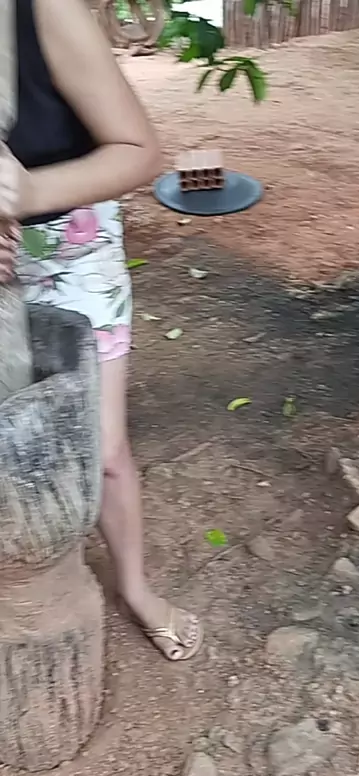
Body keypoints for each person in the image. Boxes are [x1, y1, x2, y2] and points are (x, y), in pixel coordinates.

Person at [2, 0, 203, 661]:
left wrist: (21, 196)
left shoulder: (42, 11)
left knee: (105, 450)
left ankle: (136, 589)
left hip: (70, 248)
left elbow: (140, 152)